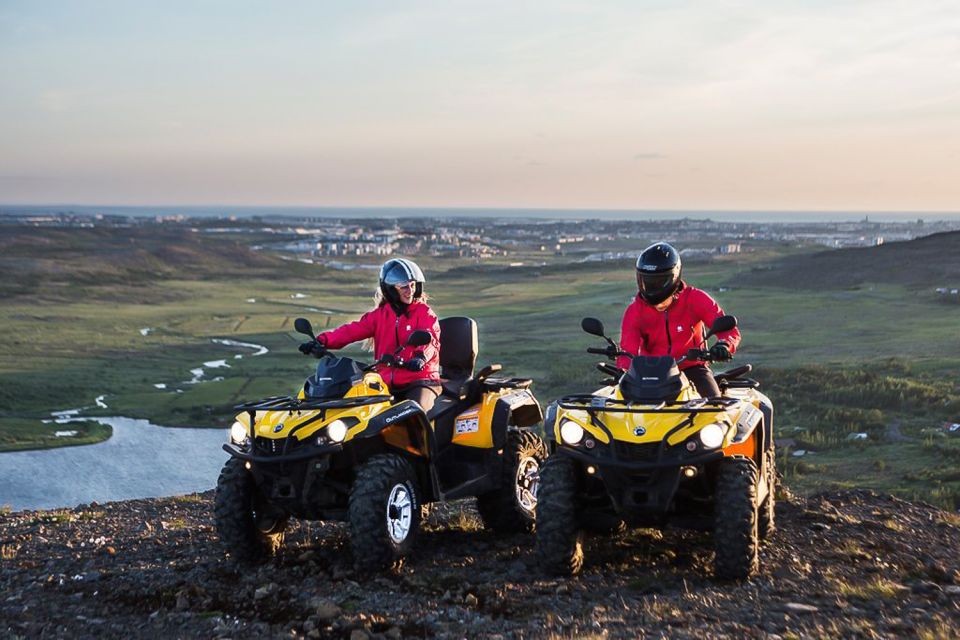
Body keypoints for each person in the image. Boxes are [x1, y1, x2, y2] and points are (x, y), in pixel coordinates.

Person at [306, 258, 442, 413]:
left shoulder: (424, 313)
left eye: (413, 285)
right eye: (404, 286)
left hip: (420, 381)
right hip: (383, 383)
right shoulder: (379, 316)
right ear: (390, 289)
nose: (410, 290)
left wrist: (421, 357)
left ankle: (425, 437)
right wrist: (322, 341)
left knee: (414, 413)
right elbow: (352, 331)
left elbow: (430, 339)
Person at [616, 242, 741, 398]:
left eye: (659, 281)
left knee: (714, 409)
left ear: (674, 277)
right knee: (622, 408)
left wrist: (724, 345)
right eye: (647, 281)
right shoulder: (635, 311)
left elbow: (728, 330)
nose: (652, 287)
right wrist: (623, 371)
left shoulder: (696, 299)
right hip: (650, 374)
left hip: (692, 369)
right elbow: (627, 351)